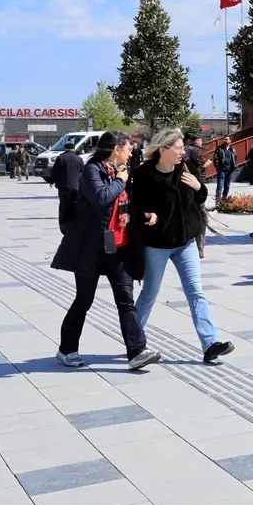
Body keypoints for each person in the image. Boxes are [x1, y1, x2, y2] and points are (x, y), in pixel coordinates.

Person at [51, 131, 160, 371]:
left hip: (117, 249)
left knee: (126, 301)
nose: (131, 152)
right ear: (115, 149)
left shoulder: (121, 173)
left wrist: (144, 214)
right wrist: (120, 180)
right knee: (83, 300)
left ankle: (137, 352)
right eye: (128, 148)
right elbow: (101, 198)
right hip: (90, 249)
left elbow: (124, 203)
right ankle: (66, 350)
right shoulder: (92, 171)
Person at [131, 128, 234, 364]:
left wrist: (199, 187)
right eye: (178, 148)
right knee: (149, 293)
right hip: (158, 243)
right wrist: (149, 216)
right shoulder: (143, 174)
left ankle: (210, 344)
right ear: (163, 149)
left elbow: (198, 199)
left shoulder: (185, 170)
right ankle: (134, 340)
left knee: (196, 292)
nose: (182, 152)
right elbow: (138, 207)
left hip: (185, 241)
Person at [182, 132, 208, 257]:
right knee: (201, 216)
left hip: (183, 184)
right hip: (196, 183)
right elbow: (202, 163)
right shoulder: (197, 150)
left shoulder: (177, 152)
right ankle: (200, 246)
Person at [50, 142, 84, 236]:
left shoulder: (61, 158)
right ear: (73, 148)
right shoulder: (79, 159)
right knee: (75, 206)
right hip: (76, 187)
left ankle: (64, 227)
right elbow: (82, 172)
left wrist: (51, 181)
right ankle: (74, 225)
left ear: (65, 148)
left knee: (64, 207)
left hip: (63, 187)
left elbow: (55, 172)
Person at [212, 137, 238, 201]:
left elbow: (235, 159)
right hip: (222, 170)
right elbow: (215, 159)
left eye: (226, 139)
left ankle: (223, 200)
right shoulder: (219, 148)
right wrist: (218, 168)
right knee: (220, 186)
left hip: (229, 170)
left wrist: (234, 166)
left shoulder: (233, 150)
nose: (225, 140)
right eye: (224, 139)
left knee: (227, 186)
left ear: (230, 140)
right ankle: (217, 202)